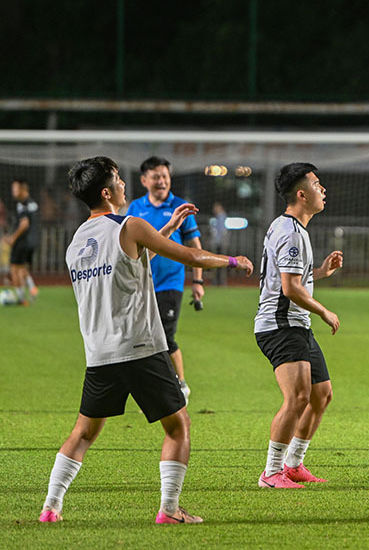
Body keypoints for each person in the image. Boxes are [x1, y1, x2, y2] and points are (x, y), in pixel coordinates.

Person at [39, 156, 253, 524]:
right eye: (119, 180)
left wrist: (168, 225)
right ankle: (169, 510)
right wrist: (232, 261)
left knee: (84, 432)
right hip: (139, 347)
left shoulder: (76, 242)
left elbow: (135, 256)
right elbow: (187, 255)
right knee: (178, 425)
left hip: (99, 353)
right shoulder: (131, 224)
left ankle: (50, 507)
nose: (125, 186)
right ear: (106, 192)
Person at [254, 163, 343, 489]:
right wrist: (324, 311)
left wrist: (320, 271)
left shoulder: (290, 228)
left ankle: (293, 464)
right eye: (318, 184)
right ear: (302, 194)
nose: (323, 190)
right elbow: (290, 289)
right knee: (298, 397)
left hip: (294, 324)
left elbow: (290, 280)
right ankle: (271, 472)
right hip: (280, 326)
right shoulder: (291, 232)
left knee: (321, 395)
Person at [126, 156, 204, 404]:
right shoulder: (135, 208)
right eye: (156, 176)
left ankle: (180, 385)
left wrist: (198, 281)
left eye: (165, 176)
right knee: (143, 337)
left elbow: (195, 246)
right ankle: (153, 386)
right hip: (141, 284)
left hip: (170, 283)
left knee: (165, 337)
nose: (162, 181)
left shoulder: (181, 207)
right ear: (144, 180)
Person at [2, 179, 41, 305]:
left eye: (15, 188)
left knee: (14, 268)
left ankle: (21, 299)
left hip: (22, 241)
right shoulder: (33, 203)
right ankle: (32, 287)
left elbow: (24, 224)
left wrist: (13, 238)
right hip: (32, 241)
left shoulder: (22, 204)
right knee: (22, 267)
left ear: (23, 189)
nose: (13, 191)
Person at [209, 202, 229, 286]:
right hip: (217, 242)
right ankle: (217, 281)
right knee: (216, 263)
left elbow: (223, 231)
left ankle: (221, 281)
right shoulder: (217, 218)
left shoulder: (222, 217)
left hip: (221, 243)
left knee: (221, 263)